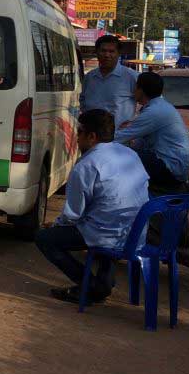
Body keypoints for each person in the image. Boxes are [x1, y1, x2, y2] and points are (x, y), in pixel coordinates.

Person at [35, 109, 150, 304]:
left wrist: (55, 225)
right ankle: (103, 283)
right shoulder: (130, 154)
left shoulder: (86, 165)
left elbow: (72, 215)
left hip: (107, 232)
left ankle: (90, 285)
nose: (77, 138)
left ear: (92, 137)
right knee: (101, 218)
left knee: (45, 238)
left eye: (79, 132)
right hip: (136, 232)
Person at [115, 71, 189, 188]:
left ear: (141, 90)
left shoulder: (154, 111)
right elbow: (140, 141)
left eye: (136, 87)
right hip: (172, 164)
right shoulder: (159, 106)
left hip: (169, 167)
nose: (133, 91)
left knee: (118, 159)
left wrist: (96, 140)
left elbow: (120, 137)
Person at [80, 34, 138, 129]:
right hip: (92, 137)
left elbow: (151, 104)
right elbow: (82, 101)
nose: (107, 55)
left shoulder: (132, 77)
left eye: (111, 51)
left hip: (119, 138)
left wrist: (135, 122)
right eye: (103, 51)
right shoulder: (89, 77)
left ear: (119, 54)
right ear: (97, 52)